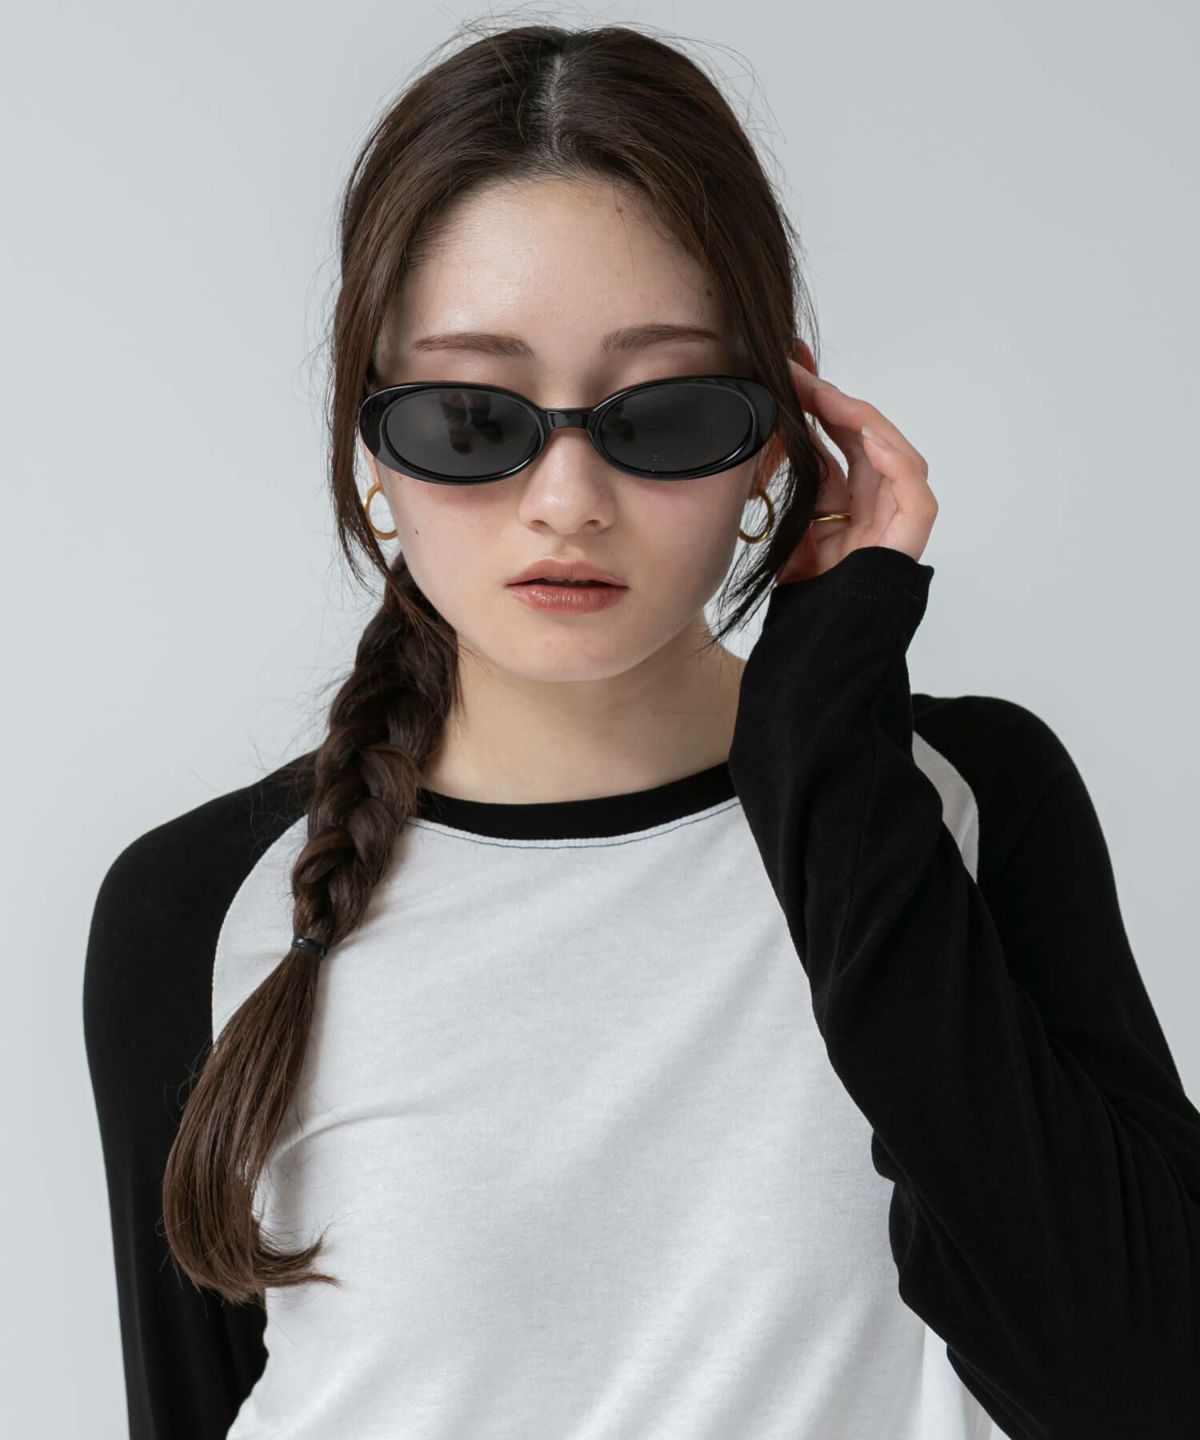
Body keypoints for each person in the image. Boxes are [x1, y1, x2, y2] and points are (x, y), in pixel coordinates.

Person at [83, 20, 1200, 1440]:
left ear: (776, 439)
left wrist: (822, 755)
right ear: (372, 447)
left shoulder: (957, 805)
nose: (567, 501)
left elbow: (1144, 1388)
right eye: (473, 419)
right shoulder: (197, 909)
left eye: (661, 415)